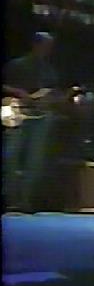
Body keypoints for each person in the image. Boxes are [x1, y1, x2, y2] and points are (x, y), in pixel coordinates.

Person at [3, 32, 59, 211]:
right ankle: (11, 199)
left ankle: (25, 200)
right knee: (11, 155)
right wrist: (19, 92)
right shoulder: (17, 65)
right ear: (36, 45)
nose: (48, 50)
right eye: (46, 46)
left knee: (35, 159)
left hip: (40, 116)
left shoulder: (49, 70)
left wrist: (49, 100)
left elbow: (52, 92)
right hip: (15, 111)